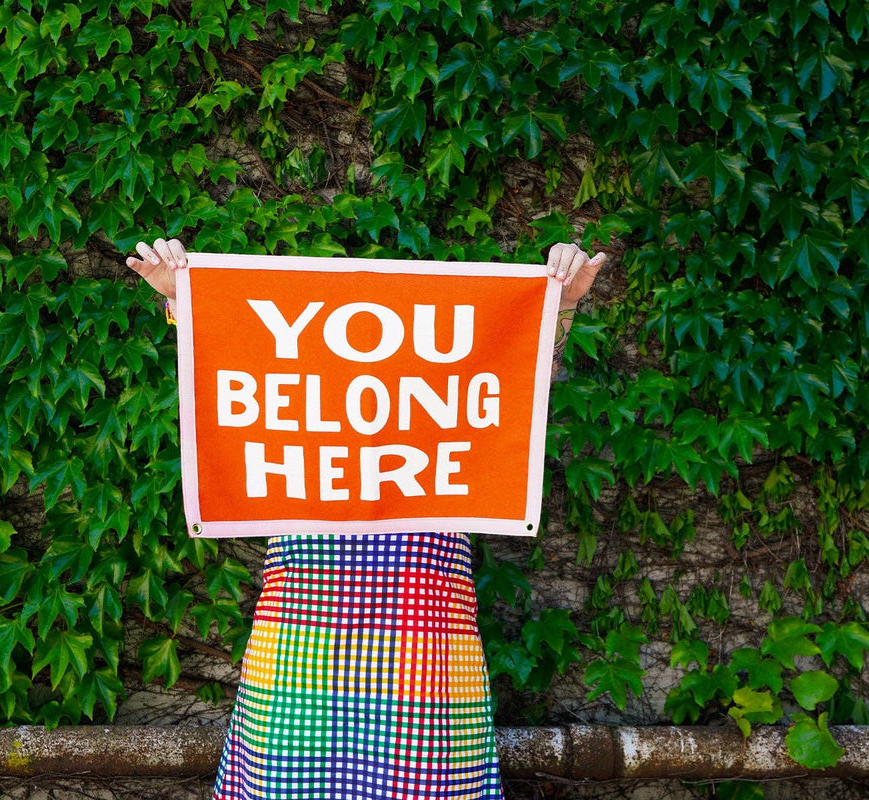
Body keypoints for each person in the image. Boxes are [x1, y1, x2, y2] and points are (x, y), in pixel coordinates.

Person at [126, 239, 606, 800]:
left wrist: (560, 304)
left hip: (426, 650)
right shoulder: (291, 390)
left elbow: (516, 384)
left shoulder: (455, 385)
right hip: (298, 651)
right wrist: (184, 298)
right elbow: (231, 363)